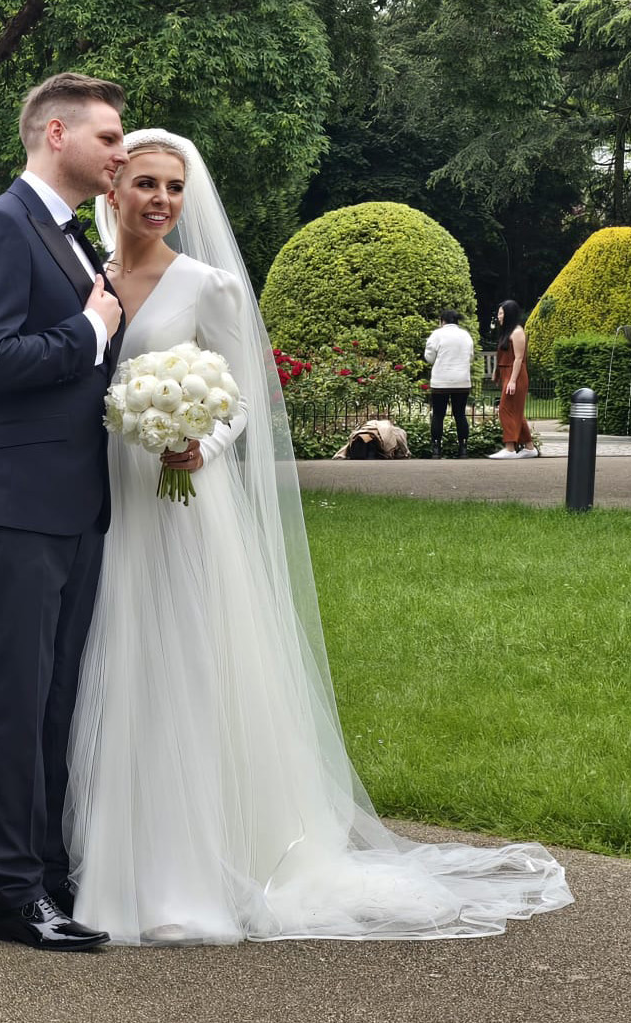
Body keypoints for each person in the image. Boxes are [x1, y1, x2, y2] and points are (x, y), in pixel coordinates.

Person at [66, 128, 571, 945]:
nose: (161, 200)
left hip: (184, 502)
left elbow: (241, 397)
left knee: (187, 668)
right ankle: (113, 860)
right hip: (106, 501)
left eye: (175, 187)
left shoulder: (208, 284)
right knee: (117, 665)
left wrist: (203, 442)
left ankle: (195, 871)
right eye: (147, 184)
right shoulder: (87, 279)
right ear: (113, 188)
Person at [0, 71, 130, 952]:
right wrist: (92, 329)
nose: (121, 153)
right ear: (55, 134)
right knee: (16, 703)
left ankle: (51, 874)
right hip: (6, 509)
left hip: (72, 509)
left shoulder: (77, 238)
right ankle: (12, 894)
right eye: (110, 138)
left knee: (56, 703)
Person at [424, 310, 474, 458]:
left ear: (442, 321)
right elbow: (470, 357)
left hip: (441, 381)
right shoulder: (466, 335)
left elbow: (429, 357)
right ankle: (463, 448)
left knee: (438, 415)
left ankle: (436, 449)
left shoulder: (437, 335)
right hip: (462, 381)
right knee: (460, 414)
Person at [490, 301, 535, 458]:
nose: (499, 316)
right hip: (507, 373)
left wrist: (513, 380)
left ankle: (510, 448)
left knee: (505, 409)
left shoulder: (517, 332)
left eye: (501, 313)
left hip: (515, 374)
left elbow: (518, 358)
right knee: (515, 411)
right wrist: (497, 373)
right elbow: (503, 355)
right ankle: (529, 447)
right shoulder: (507, 332)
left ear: (509, 314)